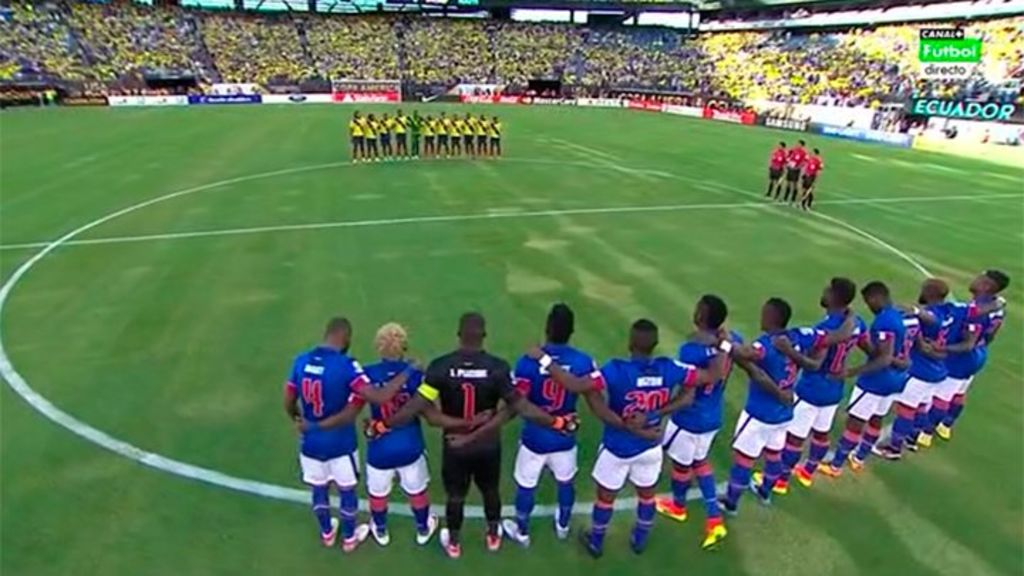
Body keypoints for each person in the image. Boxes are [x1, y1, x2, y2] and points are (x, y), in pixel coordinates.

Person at [369, 312, 575, 559]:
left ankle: (454, 543)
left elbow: (419, 410)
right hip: (488, 446)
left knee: (456, 496)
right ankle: (493, 536)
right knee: (490, 491)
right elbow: (521, 406)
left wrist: (382, 426)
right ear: (484, 335)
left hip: (455, 445)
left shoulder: (440, 367)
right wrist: (557, 422)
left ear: (458, 334)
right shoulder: (498, 368)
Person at [573, 319, 709, 558]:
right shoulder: (669, 368)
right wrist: (656, 414)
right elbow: (699, 384)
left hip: (617, 447)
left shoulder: (615, 369)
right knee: (647, 496)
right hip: (650, 447)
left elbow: (580, 386)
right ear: (655, 344)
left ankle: (596, 540)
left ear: (630, 343)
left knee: (605, 499)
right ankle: (640, 539)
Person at [655, 295, 771, 550]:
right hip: (712, 416)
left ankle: (678, 506)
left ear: (699, 316)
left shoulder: (690, 350)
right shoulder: (733, 340)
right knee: (700, 462)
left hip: (689, 418)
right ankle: (714, 519)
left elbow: (687, 392)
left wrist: (660, 411)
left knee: (682, 466)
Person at [501, 304, 606, 547]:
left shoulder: (527, 362)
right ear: (572, 331)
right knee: (565, 482)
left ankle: (522, 532)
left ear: (547, 328)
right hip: (564, 436)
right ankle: (563, 526)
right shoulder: (583, 361)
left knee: (526, 486)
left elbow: (518, 401)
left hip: (534, 437)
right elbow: (595, 394)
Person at [718, 298, 825, 513]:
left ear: (771, 317)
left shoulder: (766, 344)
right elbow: (823, 338)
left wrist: (723, 343)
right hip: (783, 412)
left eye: (764, 313)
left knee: (744, 458)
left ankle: (731, 502)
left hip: (760, 413)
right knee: (774, 454)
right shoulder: (796, 337)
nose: (761, 317)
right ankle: (765, 490)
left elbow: (743, 354)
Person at [283, 318, 371, 552]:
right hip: (341, 443)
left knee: (319, 489)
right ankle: (350, 538)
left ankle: (327, 533)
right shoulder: (346, 365)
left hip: (311, 444)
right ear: (346, 338)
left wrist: (298, 419)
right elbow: (366, 399)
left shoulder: (301, 361)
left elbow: (288, 399)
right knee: (347, 490)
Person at [359, 323, 446, 547]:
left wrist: (368, 424)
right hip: (410, 444)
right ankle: (423, 528)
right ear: (404, 346)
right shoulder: (416, 374)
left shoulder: (367, 373)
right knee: (417, 491)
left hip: (380, 446)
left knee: (378, 494)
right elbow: (430, 410)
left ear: (378, 346)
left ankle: (380, 530)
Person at [781, 278, 865, 488]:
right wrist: (849, 371)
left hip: (812, 388)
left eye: (827, 290)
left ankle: (780, 480)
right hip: (834, 389)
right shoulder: (857, 323)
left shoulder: (826, 327)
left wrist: (793, 354)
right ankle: (807, 472)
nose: (824, 292)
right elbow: (870, 348)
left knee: (795, 436)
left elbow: (815, 364)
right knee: (821, 432)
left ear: (834, 297)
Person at [819, 281, 906, 477]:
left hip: (876, 382)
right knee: (877, 418)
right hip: (894, 380)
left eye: (868, 301)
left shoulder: (884, 322)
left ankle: (835, 466)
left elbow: (883, 358)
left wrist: (851, 372)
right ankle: (859, 458)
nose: (869, 306)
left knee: (855, 422)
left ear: (876, 298)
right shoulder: (896, 316)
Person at [873, 280, 950, 457]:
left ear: (930, 293)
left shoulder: (931, 316)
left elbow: (932, 321)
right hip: (937, 370)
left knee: (906, 408)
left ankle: (894, 448)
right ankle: (912, 439)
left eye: (924, 289)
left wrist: (916, 312)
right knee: (921, 406)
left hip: (921, 369)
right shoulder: (948, 311)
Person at [932, 270, 1009, 440]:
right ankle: (946, 425)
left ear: (986, 286)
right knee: (959, 391)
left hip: (963, 356)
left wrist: (943, 348)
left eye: (979, 278)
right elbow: (990, 336)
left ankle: (924, 433)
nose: (974, 279)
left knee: (942, 395)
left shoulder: (977, 311)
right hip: (979, 353)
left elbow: (968, 343)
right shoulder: (996, 306)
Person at [783, 140, 808, 205]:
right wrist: (787, 163)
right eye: (797, 143)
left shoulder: (804, 152)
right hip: (790, 168)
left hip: (796, 169)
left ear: (802, 145)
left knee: (795, 184)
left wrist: (799, 167)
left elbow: (805, 161)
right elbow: (788, 156)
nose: (797, 144)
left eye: (799, 144)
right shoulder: (793, 150)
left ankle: (793, 198)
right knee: (788, 182)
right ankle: (785, 197)